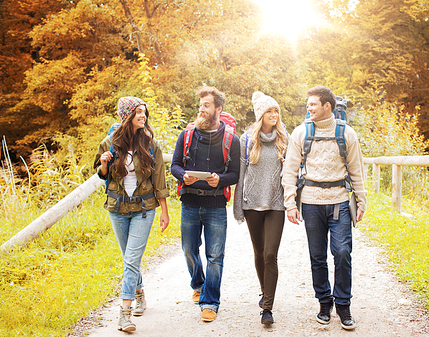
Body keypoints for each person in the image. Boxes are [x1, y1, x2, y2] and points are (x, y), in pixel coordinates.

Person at [281, 86, 367, 330]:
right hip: (310, 203)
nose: (309, 108)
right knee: (317, 256)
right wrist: (290, 204)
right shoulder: (300, 133)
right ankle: (324, 302)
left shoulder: (347, 134)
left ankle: (343, 304)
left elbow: (356, 170)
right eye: (308, 104)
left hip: (339, 200)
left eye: (313, 104)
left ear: (327, 106)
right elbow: (289, 171)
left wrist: (361, 200)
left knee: (341, 253)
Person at [94, 96, 170, 332]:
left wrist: (164, 211)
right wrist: (105, 163)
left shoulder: (149, 143)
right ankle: (139, 294)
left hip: (143, 210)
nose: (142, 116)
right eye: (138, 112)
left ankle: (124, 314)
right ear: (126, 115)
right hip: (117, 209)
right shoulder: (109, 143)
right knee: (129, 260)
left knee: (131, 260)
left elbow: (159, 178)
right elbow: (101, 174)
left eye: (144, 112)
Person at [171, 86, 240, 322]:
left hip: (216, 205)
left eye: (206, 105)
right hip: (189, 203)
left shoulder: (232, 140)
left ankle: (210, 302)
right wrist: (183, 176)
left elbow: (236, 174)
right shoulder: (186, 135)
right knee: (189, 250)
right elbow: (175, 165)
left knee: (215, 255)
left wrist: (220, 179)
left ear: (218, 109)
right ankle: (198, 284)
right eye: (200, 106)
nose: (201, 110)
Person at [233, 91, 287, 325]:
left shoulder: (285, 138)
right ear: (260, 115)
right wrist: (237, 207)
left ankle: (267, 308)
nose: (273, 115)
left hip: (277, 204)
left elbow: (295, 172)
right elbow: (240, 175)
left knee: (270, 254)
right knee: (258, 252)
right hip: (252, 204)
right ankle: (265, 291)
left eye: (276, 111)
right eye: (269, 111)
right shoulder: (246, 140)